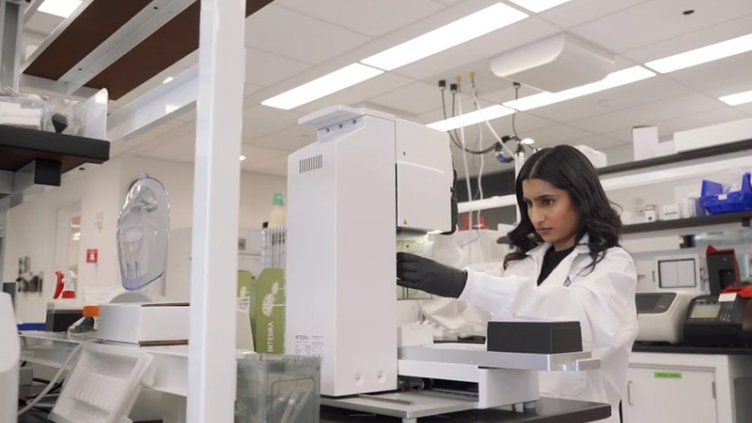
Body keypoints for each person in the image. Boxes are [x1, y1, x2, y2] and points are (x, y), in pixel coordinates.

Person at [397, 144, 637, 423]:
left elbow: (578, 317)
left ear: (581, 198)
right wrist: (446, 235)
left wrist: (465, 283)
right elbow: (459, 315)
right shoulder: (521, 264)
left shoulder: (612, 264)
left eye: (547, 201)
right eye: (529, 204)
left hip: (579, 416)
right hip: (517, 413)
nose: (536, 217)